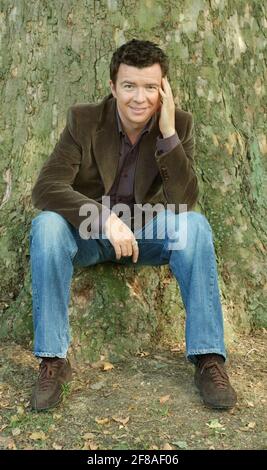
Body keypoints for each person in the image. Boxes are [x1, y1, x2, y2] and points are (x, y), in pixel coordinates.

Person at [29, 39, 237, 412]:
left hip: (147, 234)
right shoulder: (84, 120)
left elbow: (183, 201)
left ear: (164, 90)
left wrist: (169, 133)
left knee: (196, 227)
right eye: (129, 86)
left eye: (150, 87)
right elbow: (46, 188)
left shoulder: (180, 126)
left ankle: (208, 358)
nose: (139, 98)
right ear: (112, 87)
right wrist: (103, 217)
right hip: (91, 232)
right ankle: (53, 361)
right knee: (46, 226)